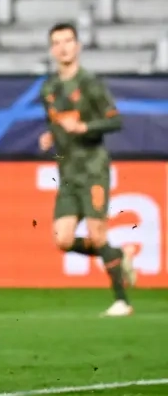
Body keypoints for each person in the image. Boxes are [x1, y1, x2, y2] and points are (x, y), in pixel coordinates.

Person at [39, 22, 135, 317]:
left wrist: (84, 127)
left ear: (77, 46)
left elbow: (115, 120)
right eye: (57, 42)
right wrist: (51, 135)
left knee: (97, 232)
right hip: (68, 174)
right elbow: (57, 121)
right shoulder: (49, 89)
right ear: (52, 49)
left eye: (68, 41)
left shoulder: (90, 83)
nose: (63, 47)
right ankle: (118, 255)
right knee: (63, 239)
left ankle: (122, 301)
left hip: (93, 169)